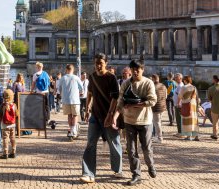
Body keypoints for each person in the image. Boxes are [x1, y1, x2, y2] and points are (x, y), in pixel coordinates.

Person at [113, 59, 157, 186]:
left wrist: (137, 104)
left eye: (138, 69)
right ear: (130, 70)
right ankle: (136, 174)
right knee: (131, 150)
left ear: (143, 70)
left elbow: (153, 100)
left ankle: (151, 165)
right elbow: (120, 101)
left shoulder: (148, 83)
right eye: (133, 69)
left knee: (146, 148)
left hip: (145, 121)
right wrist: (115, 116)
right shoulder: (126, 83)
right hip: (129, 121)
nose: (135, 71)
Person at [80, 53, 122, 184]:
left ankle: (117, 169)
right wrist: (87, 109)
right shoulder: (92, 77)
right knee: (90, 143)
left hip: (108, 116)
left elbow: (115, 98)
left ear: (106, 64)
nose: (98, 66)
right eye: (96, 63)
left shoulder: (111, 77)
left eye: (101, 63)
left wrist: (110, 115)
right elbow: (90, 94)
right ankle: (88, 173)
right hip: (95, 116)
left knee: (114, 143)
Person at [58, 64, 83, 138]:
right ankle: (74, 130)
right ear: (73, 70)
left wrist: (63, 94)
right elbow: (81, 88)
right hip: (75, 99)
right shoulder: (76, 78)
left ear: (66, 69)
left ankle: (71, 129)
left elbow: (59, 89)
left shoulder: (62, 78)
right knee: (75, 115)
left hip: (66, 100)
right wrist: (80, 92)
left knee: (69, 115)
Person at [178, 75, 200, 141]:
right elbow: (197, 97)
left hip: (186, 104)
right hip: (194, 105)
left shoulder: (184, 87)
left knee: (187, 120)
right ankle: (196, 135)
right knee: (194, 120)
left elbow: (180, 96)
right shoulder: (194, 87)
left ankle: (188, 136)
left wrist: (178, 103)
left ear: (185, 80)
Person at [0, 89, 18, 159]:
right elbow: (17, 114)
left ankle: (5, 153)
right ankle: (13, 152)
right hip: (12, 124)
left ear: (4, 97)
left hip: (4, 125)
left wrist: (0, 122)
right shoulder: (14, 105)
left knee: (5, 139)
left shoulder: (3, 105)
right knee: (13, 138)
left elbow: (0, 115)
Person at [151, 74, 167, 143]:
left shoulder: (153, 87)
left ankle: (160, 138)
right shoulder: (163, 86)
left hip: (156, 107)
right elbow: (166, 96)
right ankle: (158, 136)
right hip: (163, 106)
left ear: (153, 79)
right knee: (159, 122)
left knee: (156, 123)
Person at [172, 73, 185, 138]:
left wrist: (178, 103)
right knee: (178, 118)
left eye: (176, 77)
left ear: (180, 78)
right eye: (175, 77)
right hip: (177, 104)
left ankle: (181, 132)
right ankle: (180, 132)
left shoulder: (180, 86)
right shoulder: (179, 85)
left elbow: (180, 96)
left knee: (179, 118)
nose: (175, 78)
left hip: (178, 105)